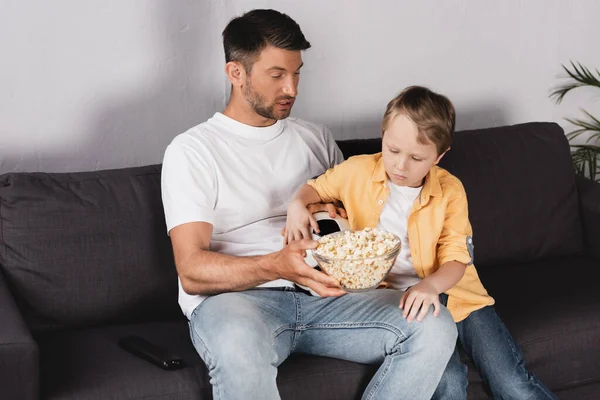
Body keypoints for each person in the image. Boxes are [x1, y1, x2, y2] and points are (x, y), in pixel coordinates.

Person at [161, 9, 458, 400]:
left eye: (297, 72)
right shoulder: (193, 151)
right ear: (236, 73)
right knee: (237, 346)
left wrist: (336, 218)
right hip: (238, 303)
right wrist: (276, 265)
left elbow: (358, 222)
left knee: (434, 325)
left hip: (330, 297)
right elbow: (191, 270)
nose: (292, 88)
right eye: (277, 75)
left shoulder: (315, 138)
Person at [286, 85, 557, 399]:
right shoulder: (357, 171)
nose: (401, 165)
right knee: (449, 383)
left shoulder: (450, 191)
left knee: (512, 382)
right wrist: (297, 204)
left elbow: (457, 259)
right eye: (392, 149)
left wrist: (430, 286)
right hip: (399, 301)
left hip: (458, 294)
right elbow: (315, 188)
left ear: (439, 156)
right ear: (383, 135)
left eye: (416, 157)